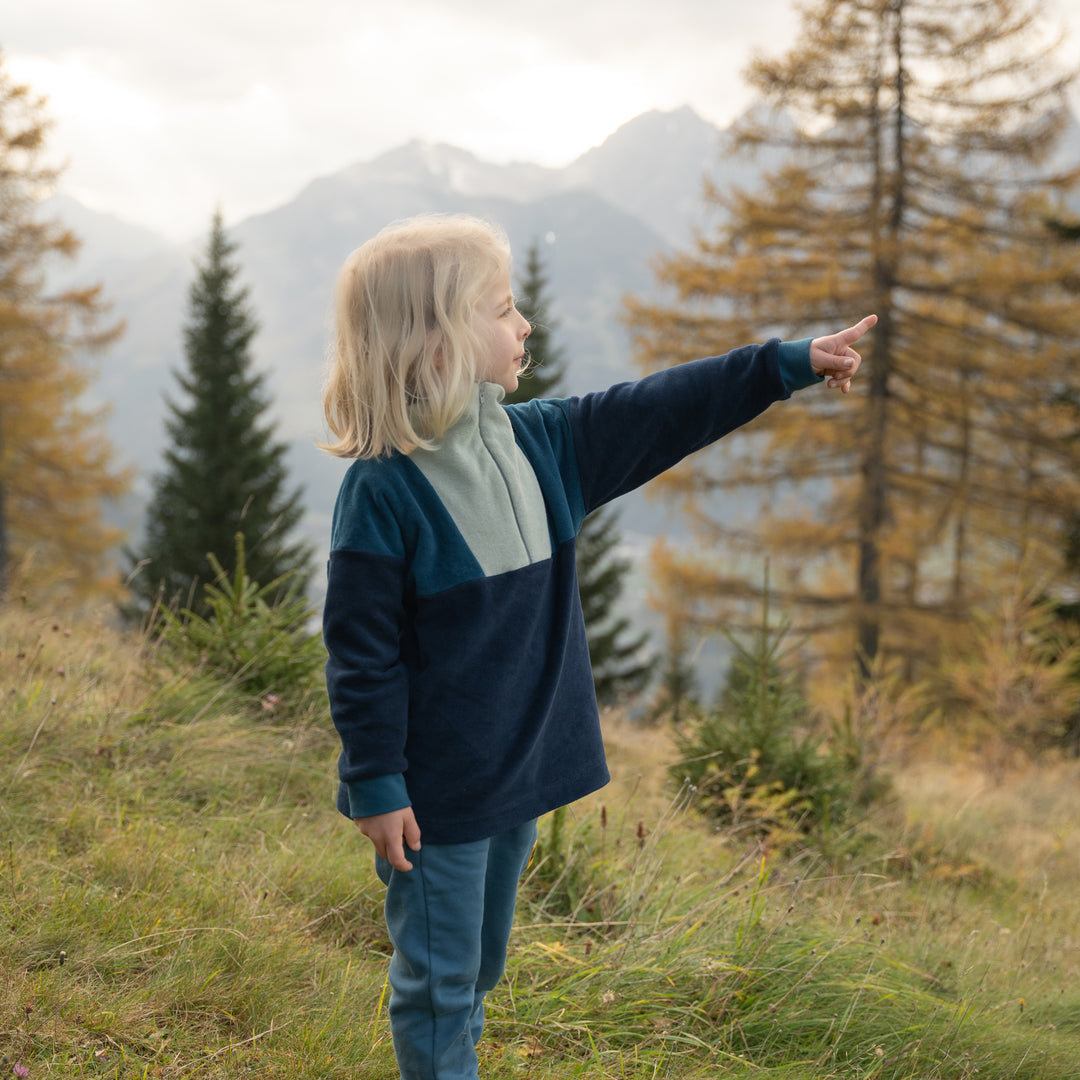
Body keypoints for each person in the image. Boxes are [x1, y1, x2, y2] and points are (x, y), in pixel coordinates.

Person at [319, 213, 875, 1080]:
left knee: (478, 969)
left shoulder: (540, 446)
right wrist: (377, 784)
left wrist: (785, 364)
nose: (524, 325)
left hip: (520, 778)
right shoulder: (383, 491)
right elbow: (362, 656)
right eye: (502, 310)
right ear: (436, 342)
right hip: (436, 798)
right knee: (438, 980)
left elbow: (662, 408)